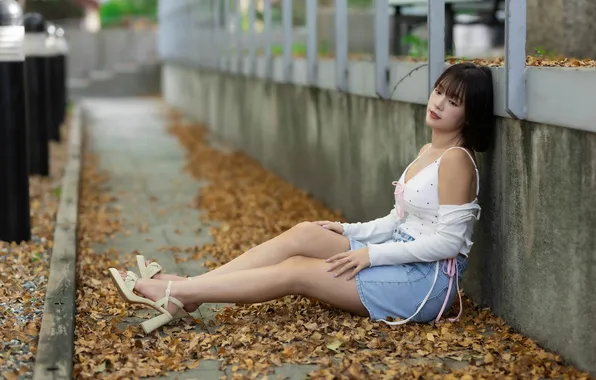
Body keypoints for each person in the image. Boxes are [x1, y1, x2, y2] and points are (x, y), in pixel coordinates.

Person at [109, 62, 495, 334]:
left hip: (422, 285)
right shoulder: (430, 151)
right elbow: (400, 220)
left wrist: (370, 254)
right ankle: (187, 293)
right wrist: (347, 229)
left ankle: (178, 292)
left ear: (469, 114)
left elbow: (449, 244)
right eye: (439, 91)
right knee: (304, 235)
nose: (439, 103)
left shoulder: (457, 162)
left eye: (453, 101)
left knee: (297, 270)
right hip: (399, 254)